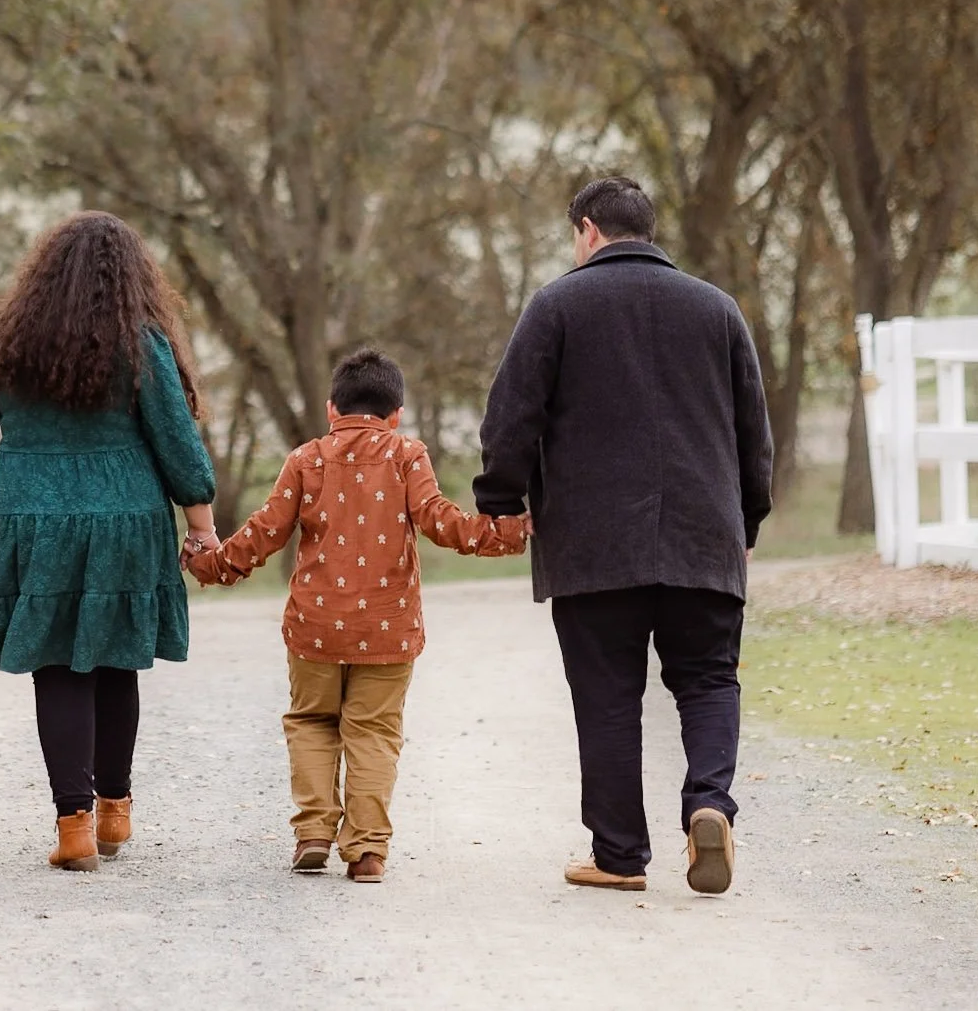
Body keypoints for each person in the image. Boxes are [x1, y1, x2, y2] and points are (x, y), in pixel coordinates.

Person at [473, 175, 773, 896]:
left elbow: (510, 416)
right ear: (649, 229)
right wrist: (749, 518)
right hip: (704, 536)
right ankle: (709, 802)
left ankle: (619, 855)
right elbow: (753, 433)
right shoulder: (717, 309)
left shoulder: (557, 305)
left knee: (607, 696)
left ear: (586, 230)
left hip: (593, 545)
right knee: (706, 681)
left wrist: (500, 498)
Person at [0, 211, 219, 872]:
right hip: (127, 516)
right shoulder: (143, 342)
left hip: (38, 518)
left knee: (57, 666)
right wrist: (200, 526)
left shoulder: (7, 340)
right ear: (132, 276)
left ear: (42, 272)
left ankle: (74, 827)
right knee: (116, 661)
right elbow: (176, 437)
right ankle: (116, 811)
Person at [186, 347, 529, 883]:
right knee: (373, 730)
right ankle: (367, 851)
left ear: (330, 409)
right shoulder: (407, 454)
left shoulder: (306, 459)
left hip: (314, 628)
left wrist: (213, 564)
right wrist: (502, 533)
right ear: (396, 414)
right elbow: (439, 521)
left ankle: (314, 834)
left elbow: (266, 531)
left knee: (311, 722)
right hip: (388, 629)